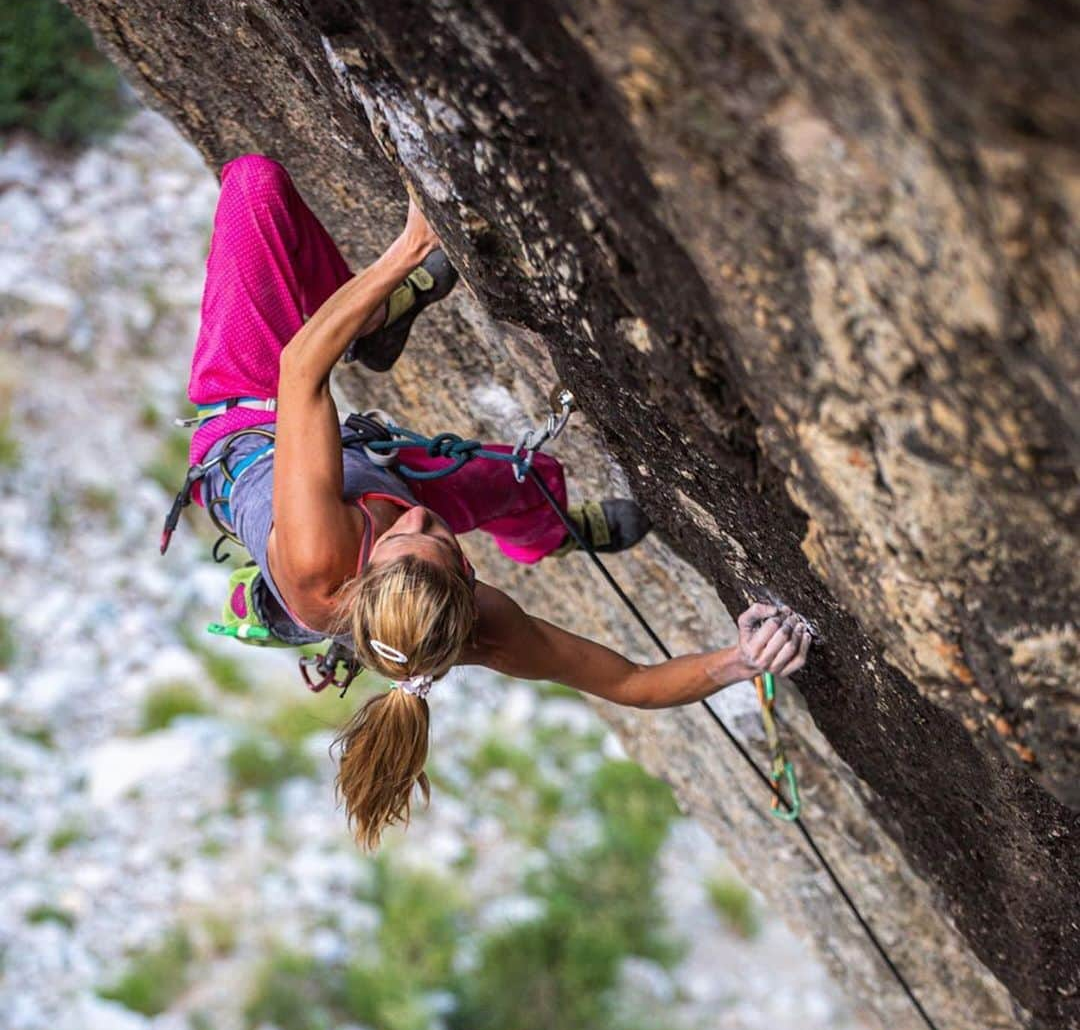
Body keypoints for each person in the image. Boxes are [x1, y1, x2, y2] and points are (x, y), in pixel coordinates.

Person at [186, 154, 811, 848]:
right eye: (440, 538)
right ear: (469, 581)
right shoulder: (482, 625)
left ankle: (382, 328)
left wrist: (411, 249)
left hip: (248, 422)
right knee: (526, 479)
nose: (425, 517)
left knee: (253, 184)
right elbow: (630, 682)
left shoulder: (318, 555)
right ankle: (546, 532)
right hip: (361, 486)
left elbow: (301, 370)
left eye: (412, 531)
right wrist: (744, 660)